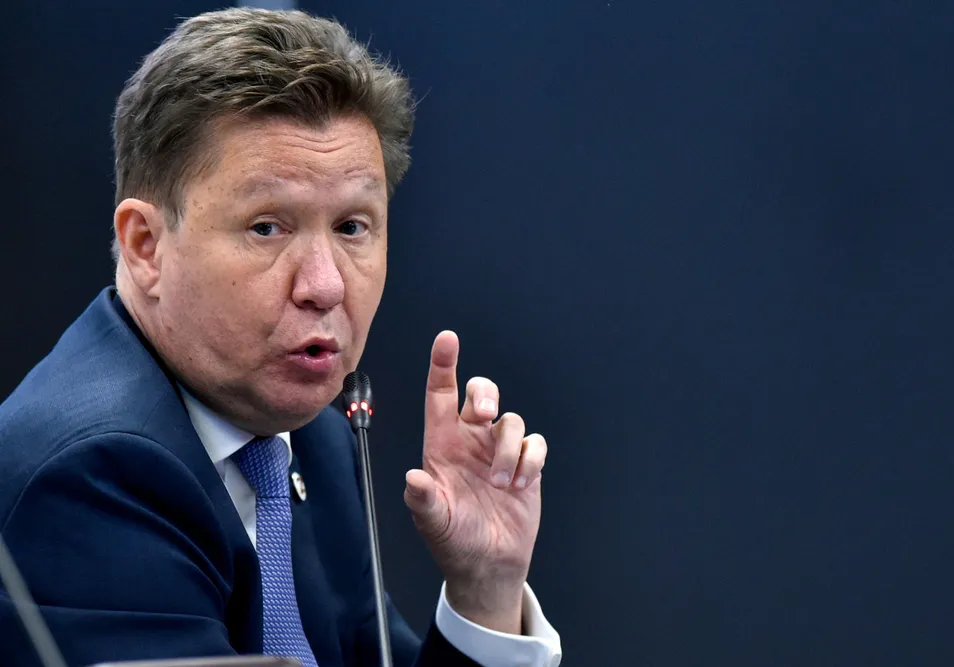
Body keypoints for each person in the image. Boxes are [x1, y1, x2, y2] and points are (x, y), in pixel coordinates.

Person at [0, 8, 561, 667]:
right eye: (266, 227)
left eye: (352, 227)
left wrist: (484, 590)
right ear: (146, 246)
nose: (325, 285)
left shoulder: (311, 440)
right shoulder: (91, 476)